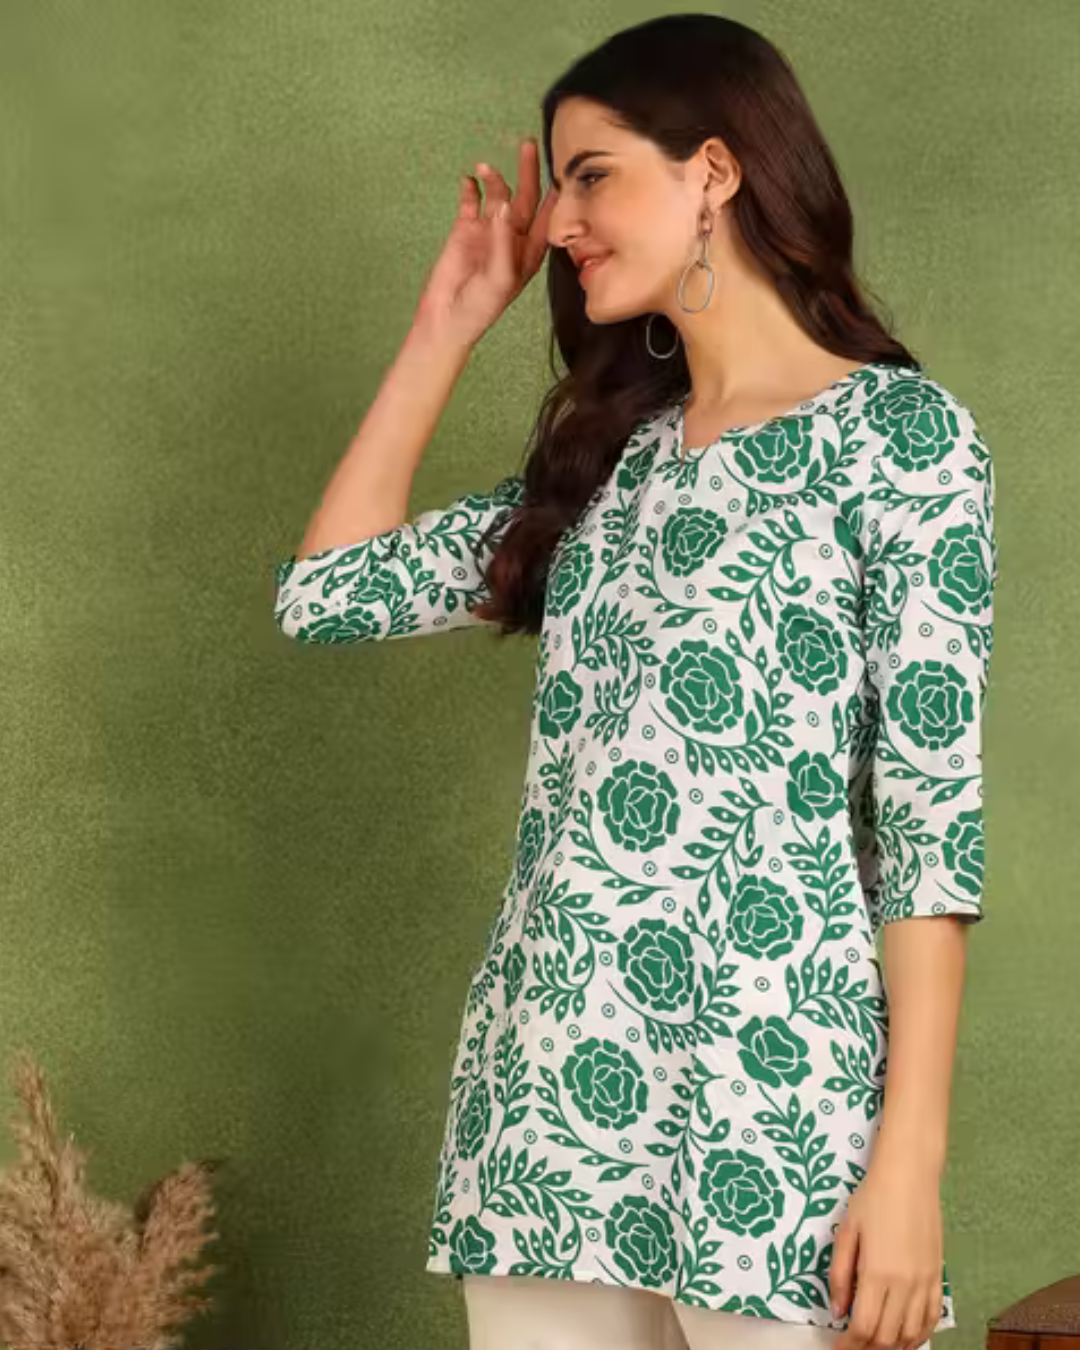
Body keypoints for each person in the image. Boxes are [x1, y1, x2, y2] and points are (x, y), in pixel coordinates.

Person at [272, 14, 998, 1350]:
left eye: (592, 175)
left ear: (713, 168)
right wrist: (445, 326)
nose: (558, 222)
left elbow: (929, 820)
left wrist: (908, 1166)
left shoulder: (900, 439)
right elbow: (327, 594)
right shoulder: (607, 463)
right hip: (549, 1092)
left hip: (771, 1092)